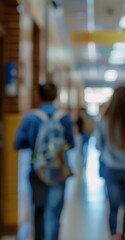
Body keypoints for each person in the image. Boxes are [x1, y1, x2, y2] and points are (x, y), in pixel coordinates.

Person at [14, 82, 75, 240]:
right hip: (58, 171)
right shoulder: (64, 118)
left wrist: (37, 147)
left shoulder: (31, 118)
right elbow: (71, 144)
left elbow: (18, 143)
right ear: (56, 96)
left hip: (37, 170)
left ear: (38, 96)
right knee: (54, 212)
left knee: (39, 210)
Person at [94, 86, 125, 240]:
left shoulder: (105, 120)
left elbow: (98, 145)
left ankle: (113, 233)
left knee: (113, 206)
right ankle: (124, 233)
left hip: (111, 168)